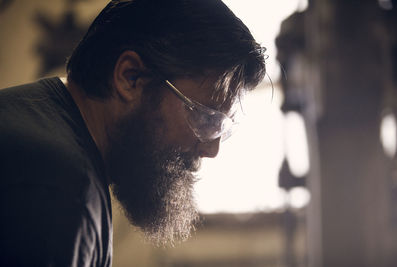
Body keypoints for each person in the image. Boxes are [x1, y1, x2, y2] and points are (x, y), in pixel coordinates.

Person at [0, 0, 266, 266]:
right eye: (207, 118)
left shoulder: (38, 115)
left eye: (222, 128)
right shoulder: (61, 188)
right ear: (131, 78)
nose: (212, 149)